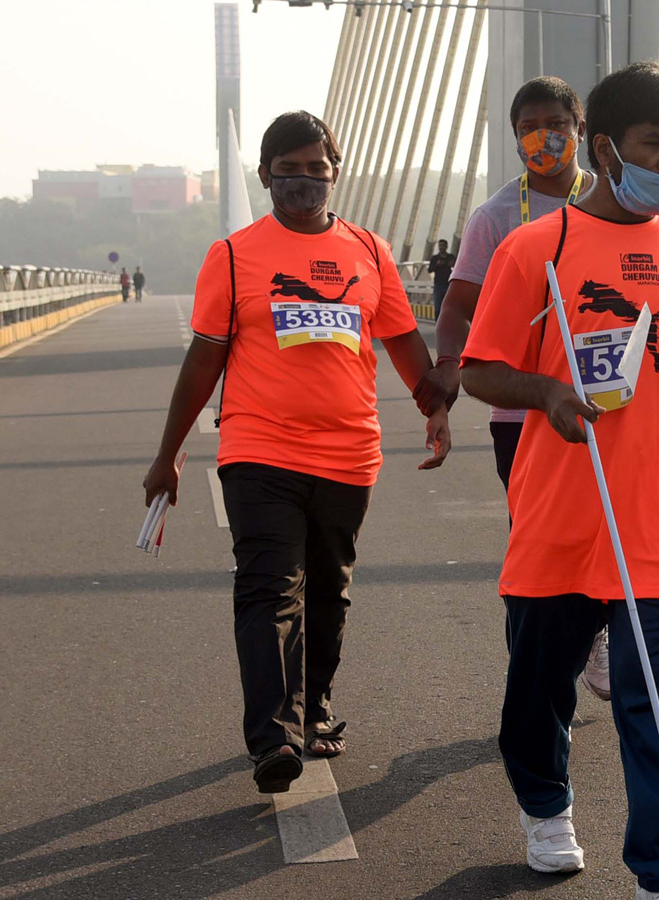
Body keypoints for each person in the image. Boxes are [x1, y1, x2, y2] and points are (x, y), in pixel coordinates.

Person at [461, 61, 659, 900]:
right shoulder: (532, 249)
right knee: (538, 689)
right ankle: (547, 806)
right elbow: (480, 369)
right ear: (610, 147)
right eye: (657, 146)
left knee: (652, 696)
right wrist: (545, 391)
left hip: (655, 520)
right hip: (559, 516)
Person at [142, 110, 451, 795]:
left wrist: (436, 409)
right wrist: (168, 455)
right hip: (258, 448)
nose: (304, 181)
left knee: (328, 590)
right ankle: (273, 739)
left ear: (335, 174)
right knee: (266, 586)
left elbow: (401, 340)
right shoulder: (233, 256)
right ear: (264, 175)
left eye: (317, 168)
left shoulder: (368, 252)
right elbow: (204, 360)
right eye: (290, 168)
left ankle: (315, 710)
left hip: (348, 451)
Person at [416, 75, 612, 700]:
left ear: (581, 131)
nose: (542, 137)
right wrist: (447, 370)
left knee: (611, 532)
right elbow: (457, 307)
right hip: (519, 415)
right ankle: (531, 682)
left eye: (555, 123)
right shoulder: (498, 215)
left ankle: (597, 638)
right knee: (539, 549)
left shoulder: (614, 202)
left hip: (607, 405)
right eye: (527, 127)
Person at [427, 239, 455, 318]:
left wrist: (452, 265)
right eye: (440, 245)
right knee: (438, 307)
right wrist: (437, 265)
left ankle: (446, 325)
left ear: (446, 246)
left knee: (448, 307)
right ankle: (438, 326)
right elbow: (430, 270)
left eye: (443, 245)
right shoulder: (435, 258)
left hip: (448, 285)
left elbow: (458, 267)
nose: (441, 247)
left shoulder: (451, 257)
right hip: (438, 285)